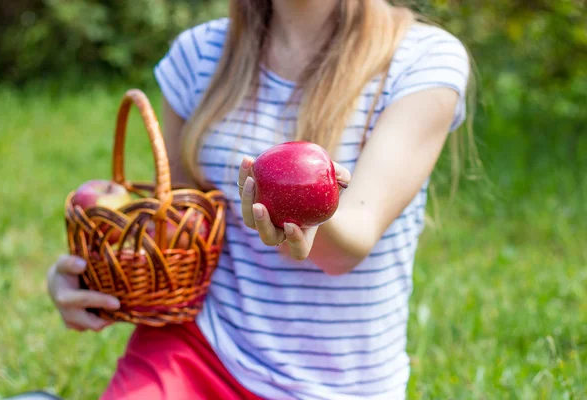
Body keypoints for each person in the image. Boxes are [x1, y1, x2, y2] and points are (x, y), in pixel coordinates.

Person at [47, 0, 473, 398]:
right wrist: (91, 280)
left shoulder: (422, 59)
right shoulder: (197, 55)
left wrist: (307, 214)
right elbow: (179, 233)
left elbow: (350, 244)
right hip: (198, 351)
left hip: (339, 385)